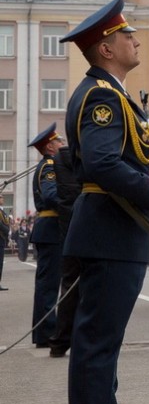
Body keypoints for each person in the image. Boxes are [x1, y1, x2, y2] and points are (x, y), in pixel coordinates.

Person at [60, 0, 149, 404]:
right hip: (110, 230)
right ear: (106, 48)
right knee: (97, 347)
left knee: (100, 346)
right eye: (127, 35)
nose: (135, 40)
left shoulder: (112, 93)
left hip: (111, 232)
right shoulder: (103, 96)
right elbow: (104, 163)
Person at [28, 123, 64, 349]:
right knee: (49, 286)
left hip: (49, 229)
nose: (62, 144)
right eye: (59, 141)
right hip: (51, 229)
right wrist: (71, 207)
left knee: (47, 285)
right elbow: (51, 196)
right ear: (50, 146)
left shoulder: (49, 165)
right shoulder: (50, 167)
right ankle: (47, 332)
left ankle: (43, 333)